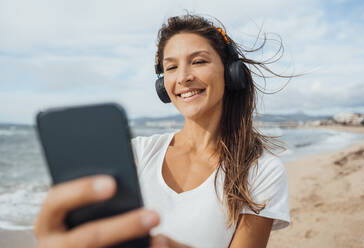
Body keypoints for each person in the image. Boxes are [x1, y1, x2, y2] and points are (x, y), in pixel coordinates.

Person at [34, 14, 290, 248]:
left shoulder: (261, 170)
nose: (183, 77)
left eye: (198, 61)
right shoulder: (138, 153)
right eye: (171, 67)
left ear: (230, 73)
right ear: (162, 85)